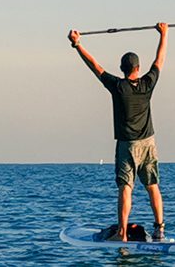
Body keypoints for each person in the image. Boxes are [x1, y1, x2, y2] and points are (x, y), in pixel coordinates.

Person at [68, 22, 168, 242]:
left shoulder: (117, 86)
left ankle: (122, 234)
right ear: (138, 68)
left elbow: (94, 65)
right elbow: (159, 60)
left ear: (122, 69)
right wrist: (164, 34)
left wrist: (77, 45)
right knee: (153, 186)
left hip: (127, 145)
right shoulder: (147, 84)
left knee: (126, 188)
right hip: (149, 143)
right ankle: (159, 229)